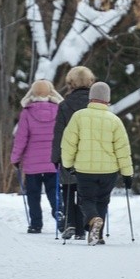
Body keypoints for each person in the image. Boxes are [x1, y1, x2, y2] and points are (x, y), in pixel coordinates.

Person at [61, 81, 134, 245]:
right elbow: (122, 149)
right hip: (109, 171)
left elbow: (69, 143)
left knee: (86, 200)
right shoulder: (114, 121)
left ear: (90, 98)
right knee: (102, 200)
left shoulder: (79, 117)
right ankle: (98, 235)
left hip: (84, 169)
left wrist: (67, 163)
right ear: (107, 100)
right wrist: (127, 174)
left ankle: (94, 220)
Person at [10, 79, 64, 234]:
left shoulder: (27, 112)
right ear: (51, 92)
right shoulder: (58, 110)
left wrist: (15, 158)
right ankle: (60, 215)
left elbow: (21, 138)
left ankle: (35, 224)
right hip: (53, 162)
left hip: (32, 165)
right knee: (54, 192)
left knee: (33, 195)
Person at [51, 65, 96, 240]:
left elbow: (59, 133)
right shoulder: (96, 105)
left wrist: (55, 157)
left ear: (70, 83)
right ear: (90, 82)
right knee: (85, 191)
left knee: (68, 189)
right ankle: (84, 225)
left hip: (69, 154)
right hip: (90, 154)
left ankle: (70, 223)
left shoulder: (64, 106)